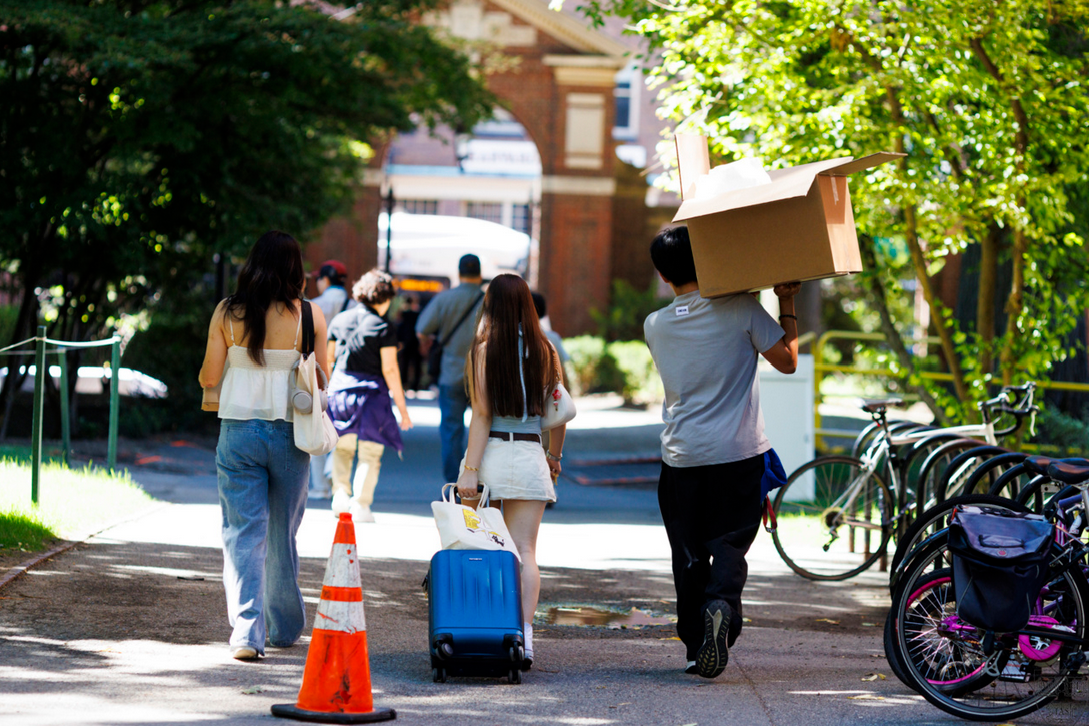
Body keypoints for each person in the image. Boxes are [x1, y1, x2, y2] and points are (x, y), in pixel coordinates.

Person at [643, 225, 799, 679]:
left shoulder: (656, 325)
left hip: (681, 455)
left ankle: (696, 648)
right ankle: (721, 605)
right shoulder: (742, 310)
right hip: (738, 453)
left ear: (663, 274)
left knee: (688, 553)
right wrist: (784, 300)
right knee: (730, 542)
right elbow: (787, 360)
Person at [198, 230, 331, 661]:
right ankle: (286, 626)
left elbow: (208, 377)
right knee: (282, 532)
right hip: (291, 435)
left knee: (242, 531)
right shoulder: (310, 317)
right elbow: (323, 380)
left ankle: (246, 633)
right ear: (296, 269)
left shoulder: (227, 312)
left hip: (238, 431)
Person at [455, 273, 566, 672]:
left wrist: (470, 469)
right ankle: (525, 635)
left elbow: (481, 415)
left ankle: (490, 629)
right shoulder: (546, 350)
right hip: (532, 455)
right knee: (526, 552)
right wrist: (555, 457)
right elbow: (559, 413)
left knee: (487, 548)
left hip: (495, 455)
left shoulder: (484, 349)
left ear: (491, 306)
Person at [326, 269, 413, 523]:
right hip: (371, 398)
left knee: (342, 450)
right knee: (370, 453)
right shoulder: (383, 327)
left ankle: (340, 497)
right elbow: (389, 368)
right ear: (385, 299)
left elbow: (329, 360)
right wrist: (402, 410)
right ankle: (360, 506)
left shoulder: (339, 320)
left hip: (340, 392)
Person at [416, 254, 485, 484]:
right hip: (482, 377)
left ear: (459, 273)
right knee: (486, 430)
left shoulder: (445, 299)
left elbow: (422, 329)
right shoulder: (489, 302)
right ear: (480, 274)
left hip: (451, 373)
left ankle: (454, 485)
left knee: (451, 432)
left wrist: (427, 345)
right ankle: (480, 483)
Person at [306, 259, 356, 499]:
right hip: (345, 374)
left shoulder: (312, 305)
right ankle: (332, 469)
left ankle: (319, 486)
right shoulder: (355, 306)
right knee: (340, 426)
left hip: (316, 373)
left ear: (324, 280)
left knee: (315, 426)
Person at [396, 294, 423, 393]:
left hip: (406, 342)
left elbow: (399, 326)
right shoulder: (417, 314)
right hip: (415, 342)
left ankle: (404, 383)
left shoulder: (403, 314)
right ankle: (414, 385)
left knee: (405, 364)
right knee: (415, 364)